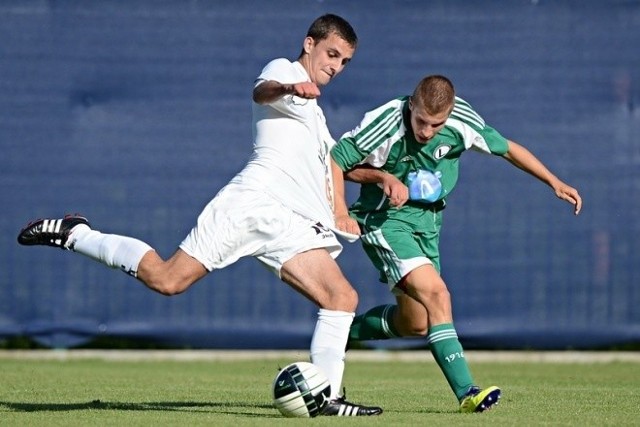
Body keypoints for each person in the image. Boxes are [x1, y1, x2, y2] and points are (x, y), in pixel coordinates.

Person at [17, 14, 382, 417]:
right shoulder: (286, 70)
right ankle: (77, 233)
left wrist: (381, 176)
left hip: (287, 222)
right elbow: (262, 91)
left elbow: (334, 163)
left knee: (342, 296)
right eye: (332, 54)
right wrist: (289, 86)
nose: (335, 65)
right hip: (249, 205)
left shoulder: (316, 115)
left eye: (344, 61)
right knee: (168, 280)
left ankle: (327, 397)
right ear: (310, 44)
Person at [330, 75, 582, 413]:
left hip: (429, 226)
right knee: (438, 294)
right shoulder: (386, 120)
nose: (427, 131)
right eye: (421, 121)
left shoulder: (462, 118)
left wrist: (554, 181)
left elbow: (507, 148)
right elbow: (337, 160)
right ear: (412, 105)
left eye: (437, 124)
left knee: (416, 323)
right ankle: (467, 392)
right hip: (385, 222)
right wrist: (355, 199)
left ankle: (336, 337)